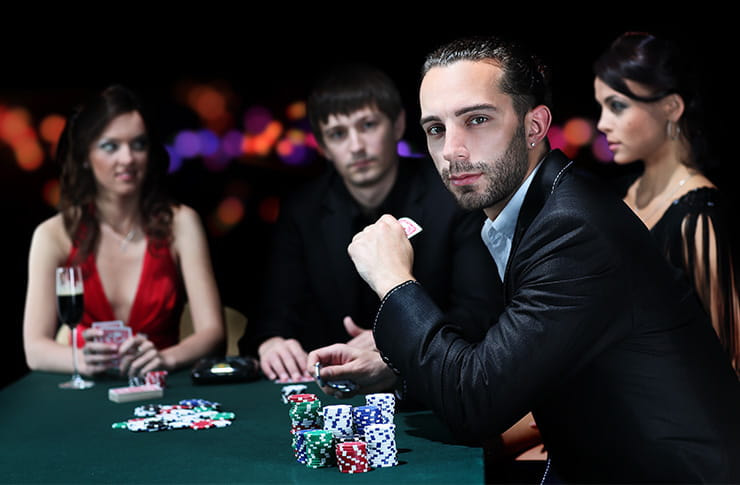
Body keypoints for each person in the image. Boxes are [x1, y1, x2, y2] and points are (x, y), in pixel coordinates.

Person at [308, 36, 740, 482]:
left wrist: (393, 280)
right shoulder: (536, 209)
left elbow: (475, 403)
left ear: (534, 127)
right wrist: (395, 365)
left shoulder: (573, 227)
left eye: (477, 120)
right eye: (436, 129)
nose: (453, 151)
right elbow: (499, 362)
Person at [239, 63, 502, 388]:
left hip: (428, 386)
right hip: (326, 386)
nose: (356, 146)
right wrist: (271, 342)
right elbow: (273, 311)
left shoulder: (451, 195)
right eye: (338, 134)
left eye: (367, 125)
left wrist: (394, 341)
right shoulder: (302, 209)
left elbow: (480, 311)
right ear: (322, 146)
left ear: (397, 125)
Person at [23, 85, 225, 378]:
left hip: (163, 390)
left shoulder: (181, 223)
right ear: (84, 155)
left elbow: (213, 333)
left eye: (138, 145)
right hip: (86, 393)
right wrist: (81, 360)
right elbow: (35, 349)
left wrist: (165, 359)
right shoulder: (53, 234)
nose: (128, 158)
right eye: (110, 146)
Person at [593, 31, 739, 376]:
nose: (601, 123)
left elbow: (730, 356)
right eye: (601, 107)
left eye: (616, 105)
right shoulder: (618, 194)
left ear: (671, 107)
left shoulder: (698, 215)